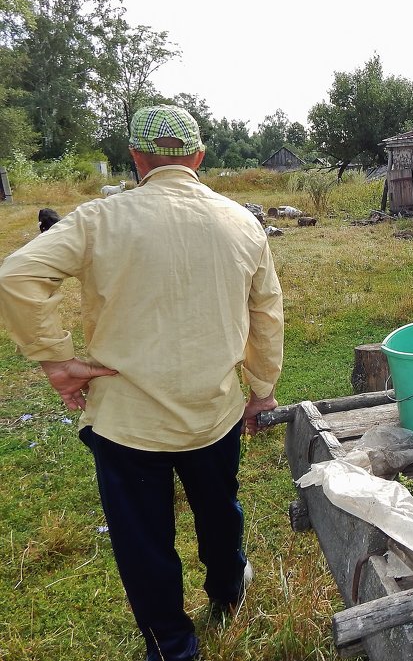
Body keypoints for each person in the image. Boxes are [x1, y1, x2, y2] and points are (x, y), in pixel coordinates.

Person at [0, 104, 284, 661]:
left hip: (127, 420)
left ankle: (172, 646)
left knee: (142, 539)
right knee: (220, 506)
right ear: (199, 157)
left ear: (136, 158)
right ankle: (227, 591)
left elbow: (17, 276)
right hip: (214, 409)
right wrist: (261, 390)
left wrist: (57, 361)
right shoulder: (242, 223)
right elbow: (266, 314)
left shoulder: (98, 220)